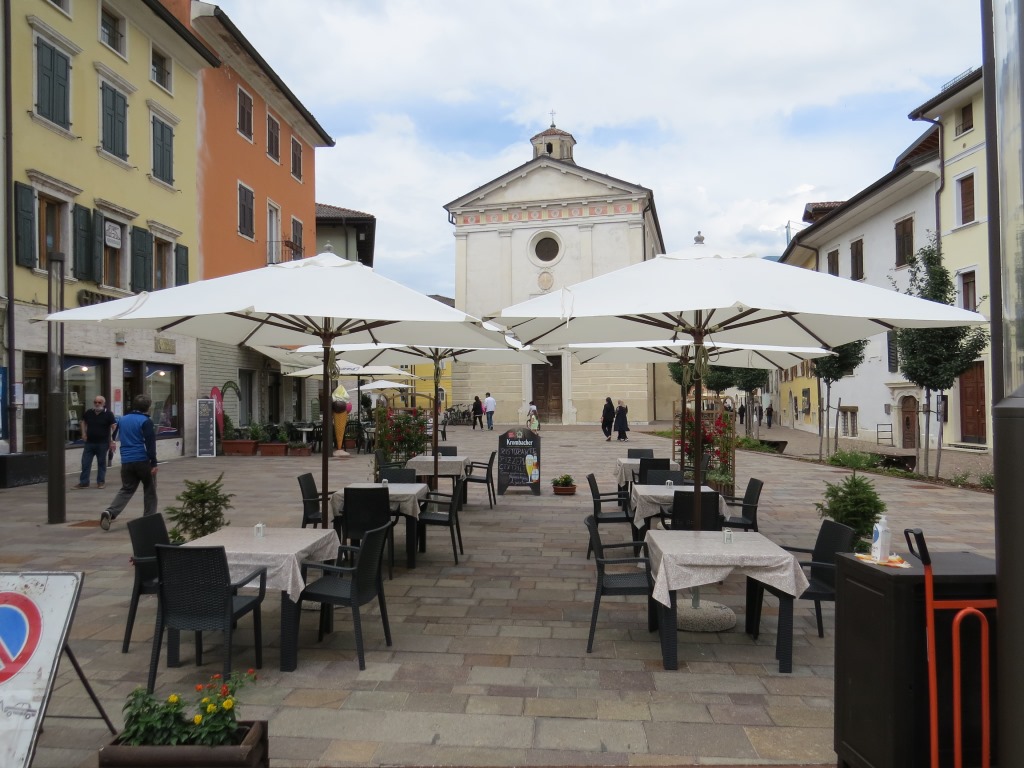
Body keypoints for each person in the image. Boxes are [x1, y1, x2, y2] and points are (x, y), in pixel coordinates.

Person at [100, 394, 157, 531]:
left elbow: (114, 436)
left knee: (126, 489)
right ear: (148, 407)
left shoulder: (122, 420)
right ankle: (148, 518)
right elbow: (150, 443)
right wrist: (153, 462)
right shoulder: (145, 421)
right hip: (142, 460)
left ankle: (111, 512)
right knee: (150, 489)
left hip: (126, 461)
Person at [75, 394, 117, 489]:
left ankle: (100, 482)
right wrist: (83, 433)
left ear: (104, 403)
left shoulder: (108, 414)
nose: (97, 404)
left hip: (103, 443)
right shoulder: (89, 412)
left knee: (101, 463)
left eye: (99, 402)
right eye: (95, 402)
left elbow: (114, 426)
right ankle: (84, 482)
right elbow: (83, 422)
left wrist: (113, 440)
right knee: (85, 462)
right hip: (89, 442)